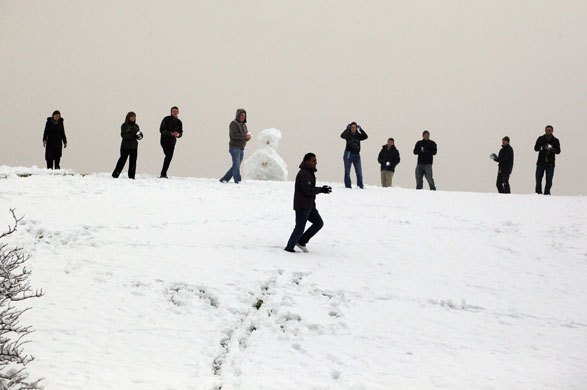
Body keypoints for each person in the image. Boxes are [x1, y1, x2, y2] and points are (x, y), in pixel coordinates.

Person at [285, 153, 332, 253]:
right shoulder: (304, 174)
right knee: (299, 228)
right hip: (303, 206)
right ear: (307, 161)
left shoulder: (309, 172)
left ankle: (301, 241)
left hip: (310, 206)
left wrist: (321, 190)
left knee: (318, 223)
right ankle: (289, 248)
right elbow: (307, 190)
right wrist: (321, 190)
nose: (316, 163)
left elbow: (309, 190)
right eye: (313, 161)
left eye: (316, 160)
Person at [220, 108, 251, 183]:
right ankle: (238, 180)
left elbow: (244, 137)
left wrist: (247, 138)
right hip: (234, 148)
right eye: (241, 115)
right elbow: (234, 135)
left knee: (235, 166)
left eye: (244, 115)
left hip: (241, 148)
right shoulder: (233, 124)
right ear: (238, 115)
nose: (243, 117)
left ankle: (224, 179)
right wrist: (244, 136)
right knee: (236, 165)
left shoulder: (244, 126)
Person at [112, 112, 143, 179]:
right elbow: (124, 135)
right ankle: (115, 174)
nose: (133, 118)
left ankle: (131, 176)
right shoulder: (124, 125)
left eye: (134, 117)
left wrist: (140, 136)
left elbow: (138, 136)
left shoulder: (136, 126)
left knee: (133, 162)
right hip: (125, 147)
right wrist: (133, 135)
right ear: (128, 117)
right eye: (132, 117)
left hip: (134, 147)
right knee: (122, 161)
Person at [534, 125, 561, 195]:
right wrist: (542, 147)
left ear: (552, 131)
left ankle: (547, 193)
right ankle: (538, 193)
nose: (548, 131)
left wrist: (551, 149)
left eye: (549, 130)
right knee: (538, 179)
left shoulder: (555, 140)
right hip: (540, 162)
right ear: (545, 130)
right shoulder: (541, 138)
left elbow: (558, 151)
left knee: (549, 180)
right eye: (547, 130)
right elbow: (536, 148)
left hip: (550, 163)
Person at [340, 122, 368, 188]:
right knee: (347, 171)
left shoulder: (358, 135)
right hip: (348, 154)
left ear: (356, 128)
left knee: (359, 171)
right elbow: (342, 135)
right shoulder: (348, 134)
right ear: (350, 127)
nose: (353, 128)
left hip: (357, 155)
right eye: (352, 127)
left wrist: (361, 129)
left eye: (355, 127)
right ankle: (348, 186)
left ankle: (360, 186)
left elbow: (365, 136)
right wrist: (347, 129)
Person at [159, 106, 183, 178]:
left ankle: (163, 173)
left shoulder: (179, 122)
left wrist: (178, 135)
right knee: (168, 156)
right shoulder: (166, 119)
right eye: (174, 111)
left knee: (169, 157)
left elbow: (180, 132)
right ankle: (163, 173)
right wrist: (171, 133)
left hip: (172, 142)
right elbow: (161, 130)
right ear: (171, 112)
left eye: (176, 111)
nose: (175, 113)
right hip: (164, 140)